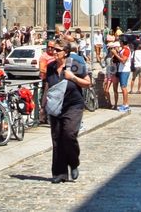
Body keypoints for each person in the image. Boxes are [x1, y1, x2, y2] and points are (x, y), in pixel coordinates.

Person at [45, 42, 91, 183]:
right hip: (55, 106)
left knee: (69, 134)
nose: (54, 51)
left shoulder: (75, 65)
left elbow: (88, 83)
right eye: (52, 49)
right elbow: (47, 86)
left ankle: (74, 162)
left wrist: (73, 78)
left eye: (57, 50)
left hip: (73, 105)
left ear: (65, 52)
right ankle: (60, 173)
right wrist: (43, 106)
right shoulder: (50, 67)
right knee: (57, 138)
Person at [110, 38, 132, 111]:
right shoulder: (123, 50)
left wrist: (115, 54)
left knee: (123, 87)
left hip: (125, 70)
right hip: (121, 70)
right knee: (122, 87)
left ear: (122, 43)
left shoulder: (126, 50)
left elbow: (123, 61)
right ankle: (125, 104)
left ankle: (125, 104)